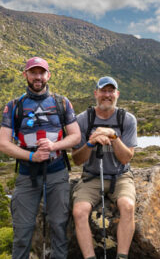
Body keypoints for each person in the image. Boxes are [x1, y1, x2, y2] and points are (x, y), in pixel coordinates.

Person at [0, 57, 81, 258]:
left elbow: (76, 136)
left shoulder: (62, 103)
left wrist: (55, 145)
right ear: (25, 75)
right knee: (22, 231)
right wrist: (31, 156)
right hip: (28, 175)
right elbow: (3, 143)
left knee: (59, 228)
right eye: (33, 72)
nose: (38, 77)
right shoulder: (14, 106)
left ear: (48, 75)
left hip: (57, 173)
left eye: (41, 72)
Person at [71, 76, 137, 259]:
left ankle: (121, 256)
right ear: (96, 94)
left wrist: (114, 137)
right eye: (103, 91)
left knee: (128, 206)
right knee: (79, 211)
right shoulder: (83, 120)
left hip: (120, 176)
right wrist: (91, 143)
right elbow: (76, 160)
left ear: (117, 94)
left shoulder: (127, 119)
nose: (107, 95)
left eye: (111, 91)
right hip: (91, 176)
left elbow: (126, 158)